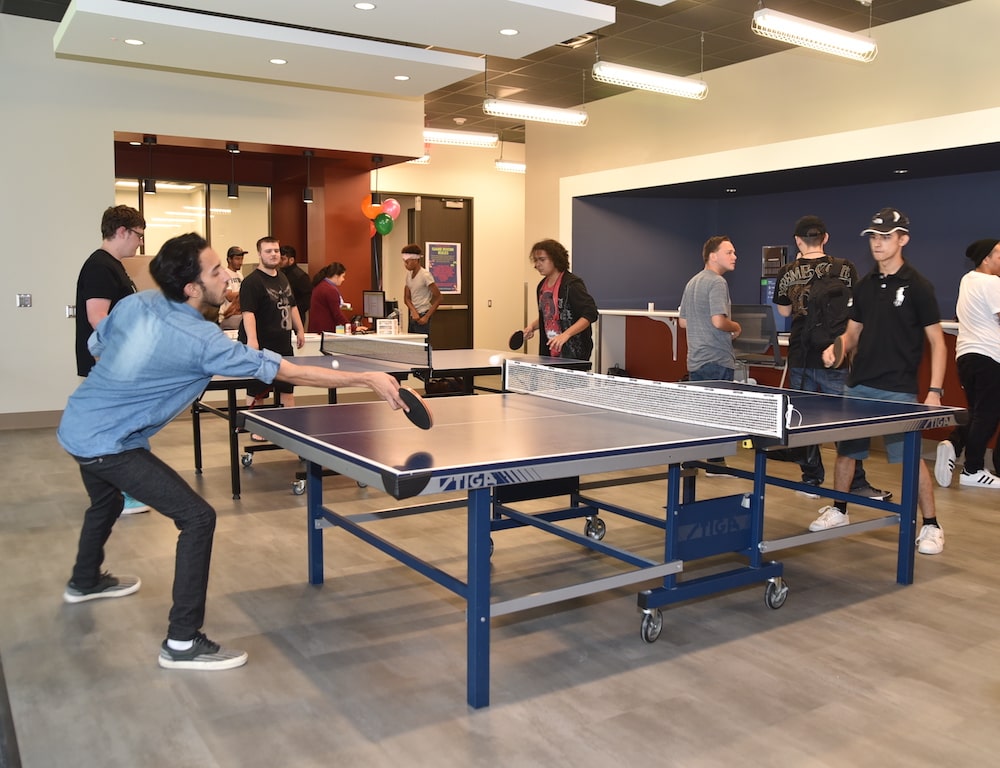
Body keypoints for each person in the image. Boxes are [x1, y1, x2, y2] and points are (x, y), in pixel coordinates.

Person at [58, 233, 404, 670]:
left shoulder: (134, 304)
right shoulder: (203, 341)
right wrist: (366, 379)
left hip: (78, 423)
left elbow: (98, 346)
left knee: (105, 502)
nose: (226, 275)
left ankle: (84, 579)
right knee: (198, 518)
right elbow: (284, 369)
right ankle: (182, 641)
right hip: (108, 442)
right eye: (215, 270)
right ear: (191, 288)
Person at [814, 208, 947, 556]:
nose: (878, 243)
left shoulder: (918, 287)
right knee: (847, 452)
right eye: (874, 237)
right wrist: (836, 348)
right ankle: (839, 509)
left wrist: (934, 391)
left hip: (898, 388)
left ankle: (931, 525)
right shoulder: (864, 286)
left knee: (910, 458)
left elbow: (937, 341)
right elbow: (853, 332)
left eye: (886, 237)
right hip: (857, 385)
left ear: (903, 239)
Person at [774, 215, 890, 501]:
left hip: (801, 354)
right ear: (825, 238)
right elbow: (858, 308)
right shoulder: (845, 267)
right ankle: (857, 482)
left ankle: (811, 479)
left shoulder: (787, 270)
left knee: (801, 420)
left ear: (798, 240)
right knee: (847, 422)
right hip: (835, 355)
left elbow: (785, 313)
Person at [74, 204, 150, 515]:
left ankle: (119, 492)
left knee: (120, 427)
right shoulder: (99, 266)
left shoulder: (115, 265)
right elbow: (98, 318)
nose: (140, 242)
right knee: (116, 430)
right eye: (138, 235)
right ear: (121, 232)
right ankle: (120, 495)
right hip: (110, 364)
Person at [934, 238, 1000, 489]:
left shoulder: (968, 280)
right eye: (999, 254)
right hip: (990, 356)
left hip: (966, 356)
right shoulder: (992, 282)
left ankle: (953, 443)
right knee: (987, 414)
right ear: (986, 258)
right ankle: (973, 469)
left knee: (978, 411)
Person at [677, 236, 741, 472]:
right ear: (713, 256)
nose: (735, 256)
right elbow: (718, 321)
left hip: (696, 359)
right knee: (719, 416)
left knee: (701, 416)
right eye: (729, 252)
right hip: (716, 357)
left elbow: (683, 322)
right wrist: (735, 327)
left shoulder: (693, 282)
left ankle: (696, 460)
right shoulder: (717, 283)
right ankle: (716, 466)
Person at [238, 237, 305, 427]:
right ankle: (257, 428)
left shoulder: (283, 278)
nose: (274, 254)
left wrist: (299, 329)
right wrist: (252, 340)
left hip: (282, 344)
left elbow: (291, 306)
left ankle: (290, 428)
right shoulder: (252, 282)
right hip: (261, 345)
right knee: (257, 391)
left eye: (276, 251)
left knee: (287, 388)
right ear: (259, 253)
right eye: (268, 251)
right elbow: (248, 313)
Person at [521, 238, 599, 360]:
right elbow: (548, 315)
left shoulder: (572, 284)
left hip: (573, 352)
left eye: (542, 259)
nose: (537, 265)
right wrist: (532, 326)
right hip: (549, 353)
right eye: (536, 261)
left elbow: (590, 314)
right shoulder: (541, 287)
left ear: (555, 259)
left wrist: (565, 335)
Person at [402, 244, 442, 335]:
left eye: (407, 262)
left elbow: (439, 297)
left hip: (423, 314)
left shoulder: (425, 275)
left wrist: (427, 317)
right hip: (413, 315)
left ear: (415, 260)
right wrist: (413, 311)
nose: (405, 264)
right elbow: (406, 298)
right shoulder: (408, 275)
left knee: (423, 346)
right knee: (412, 345)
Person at [309, 262, 350, 333]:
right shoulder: (330, 290)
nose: (343, 279)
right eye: (342, 276)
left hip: (316, 328)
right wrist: (352, 327)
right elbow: (337, 314)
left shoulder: (320, 286)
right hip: (325, 330)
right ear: (336, 276)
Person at [280, 245, 312, 329]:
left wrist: (292, 311)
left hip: (295, 317)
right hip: (281, 316)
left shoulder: (301, 277)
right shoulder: (279, 274)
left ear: (291, 260)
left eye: (282, 259)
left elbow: (306, 302)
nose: (279, 261)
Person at [218, 246, 246, 331]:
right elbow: (229, 296)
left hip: (237, 315)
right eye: (237, 259)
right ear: (229, 259)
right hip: (227, 317)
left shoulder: (240, 275)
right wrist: (245, 293)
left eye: (241, 259)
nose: (240, 262)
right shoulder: (224, 274)